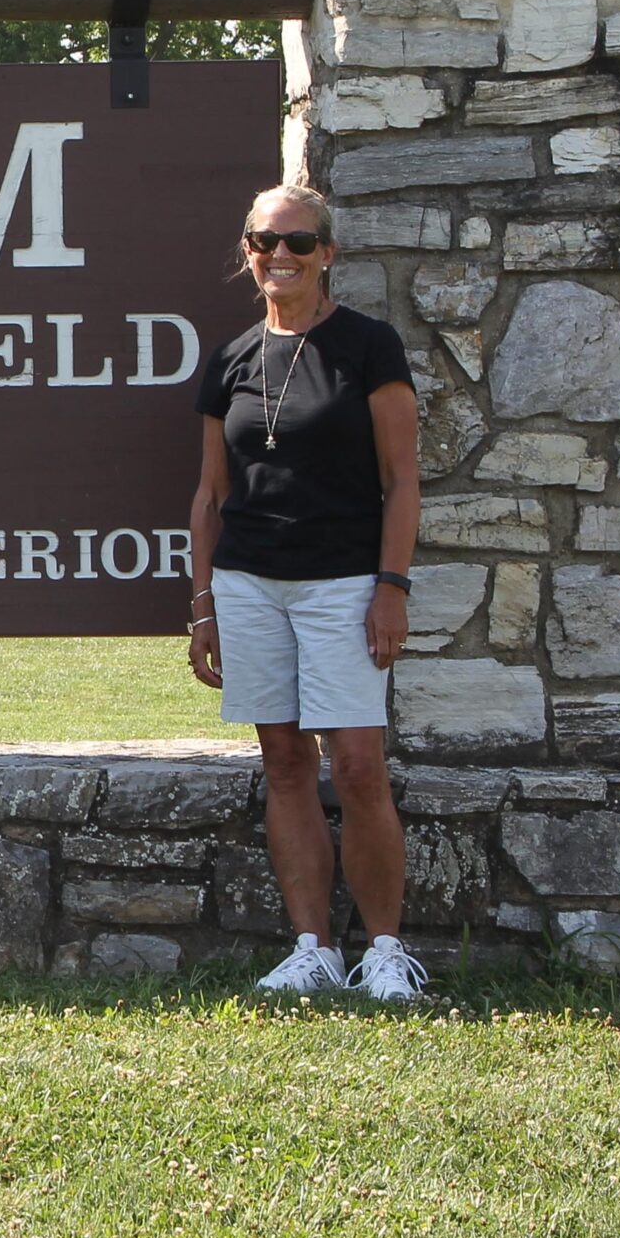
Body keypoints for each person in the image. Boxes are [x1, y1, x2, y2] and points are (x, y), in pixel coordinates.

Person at [187, 184, 425, 1002]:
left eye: (297, 241)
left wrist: (391, 586)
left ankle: (385, 951)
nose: (279, 255)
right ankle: (312, 948)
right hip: (250, 583)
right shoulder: (231, 359)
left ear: (328, 253)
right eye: (265, 241)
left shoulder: (368, 346)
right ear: (247, 251)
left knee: (356, 764)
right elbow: (210, 496)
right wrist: (204, 604)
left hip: (344, 584)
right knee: (285, 761)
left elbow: (402, 480)